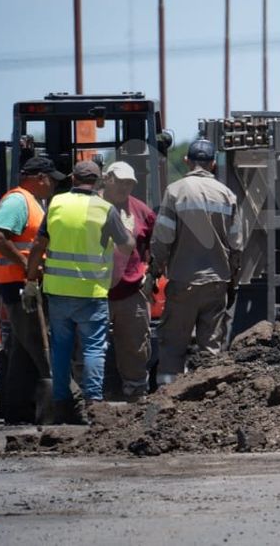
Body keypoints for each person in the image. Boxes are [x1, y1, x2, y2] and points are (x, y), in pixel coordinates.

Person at [24, 160, 134, 423]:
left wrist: (30, 280)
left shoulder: (56, 205)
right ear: (98, 182)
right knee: (94, 348)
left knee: (61, 348)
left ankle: (62, 404)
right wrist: (122, 249)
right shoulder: (105, 209)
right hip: (91, 292)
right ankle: (93, 403)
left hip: (58, 291)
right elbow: (127, 244)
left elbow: (39, 244)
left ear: (72, 178)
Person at [151, 139, 241, 385]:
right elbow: (236, 245)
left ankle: (166, 403)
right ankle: (208, 401)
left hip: (184, 282)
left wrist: (153, 272)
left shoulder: (175, 191)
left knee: (172, 347)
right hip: (216, 283)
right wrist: (232, 280)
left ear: (187, 161)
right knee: (210, 348)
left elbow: (163, 238)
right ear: (213, 164)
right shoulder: (227, 195)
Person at [0, 156, 63, 423]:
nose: (53, 185)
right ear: (39, 178)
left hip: (21, 283)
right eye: (51, 180)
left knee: (22, 348)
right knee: (40, 348)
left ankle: (17, 410)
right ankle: (51, 413)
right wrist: (25, 265)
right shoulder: (18, 201)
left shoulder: (30, 202)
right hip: (19, 285)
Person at [100, 161, 156, 402]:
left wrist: (150, 273)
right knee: (89, 347)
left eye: (129, 183)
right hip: (95, 291)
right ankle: (90, 397)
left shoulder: (141, 211)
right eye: (120, 182)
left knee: (135, 344)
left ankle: (136, 393)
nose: (125, 188)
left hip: (131, 291)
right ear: (107, 179)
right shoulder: (93, 207)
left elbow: (155, 244)